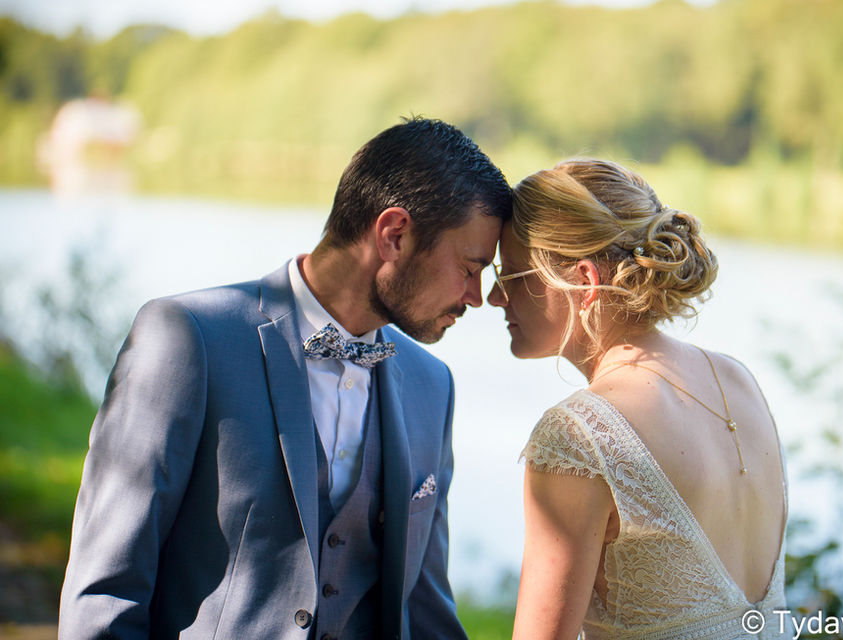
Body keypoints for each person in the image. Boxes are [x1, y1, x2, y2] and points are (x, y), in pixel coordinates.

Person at [59, 117, 512, 639]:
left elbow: (426, 607)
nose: (476, 296)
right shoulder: (189, 340)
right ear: (394, 236)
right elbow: (105, 592)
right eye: (471, 266)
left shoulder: (434, 386)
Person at [487, 159, 788, 639]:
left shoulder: (580, 434)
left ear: (582, 282)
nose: (494, 298)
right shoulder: (738, 381)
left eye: (512, 276)